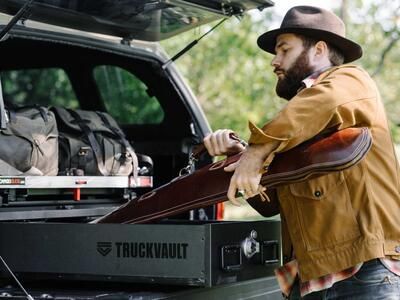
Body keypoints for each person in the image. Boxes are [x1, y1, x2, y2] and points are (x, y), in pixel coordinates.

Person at [203, 6, 400, 299]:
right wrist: (239, 155)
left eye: (284, 50)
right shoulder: (295, 126)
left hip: (365, 272)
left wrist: (257, 150)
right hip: (310, 280)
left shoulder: (350, 80)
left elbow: (323, 101)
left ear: (319, 50)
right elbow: (271, 204)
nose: (274, 61)